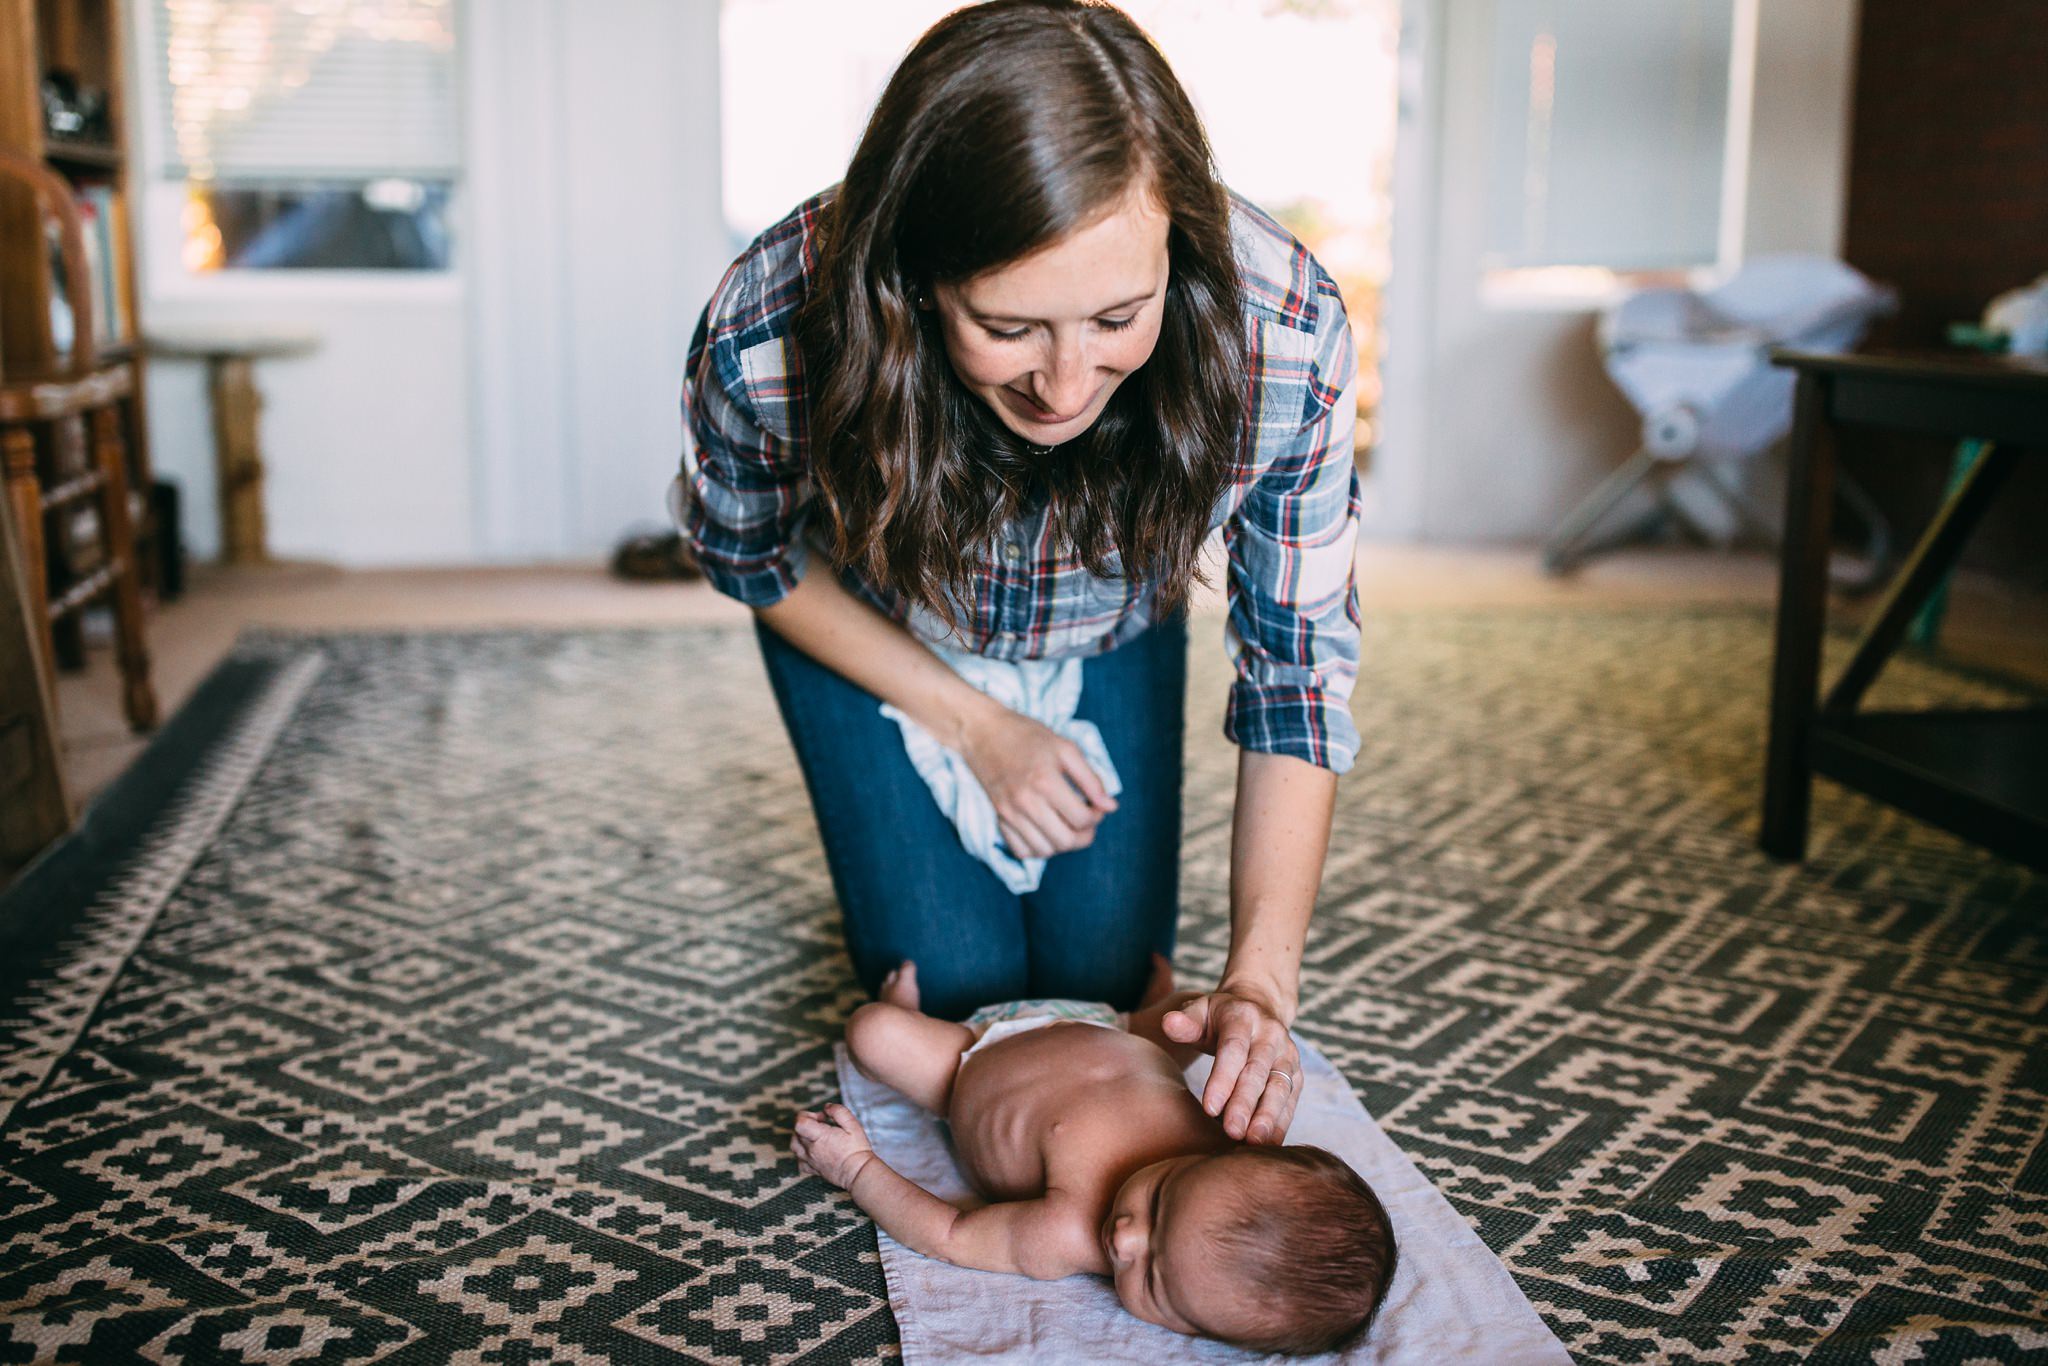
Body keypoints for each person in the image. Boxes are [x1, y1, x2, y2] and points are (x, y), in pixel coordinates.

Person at [674, 0, 1361, 1146]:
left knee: (1097, 983)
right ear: (916, 278)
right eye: (1006, 325)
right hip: (876, 614)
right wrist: (976, 727)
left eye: (1116, 317)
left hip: (1107, 624)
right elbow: (745, 552)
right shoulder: (768, 319)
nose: (1063, 382)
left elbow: (1296, 670)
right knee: (953, 989)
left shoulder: (1285, 331)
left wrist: (1257, 983)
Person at [790, 960, 1397, 1353]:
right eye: (1161, 1203)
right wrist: (1212, 1022)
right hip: (1120, 1028)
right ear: (1248, 1153)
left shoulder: (1068, 1232)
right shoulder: (1233, 1135)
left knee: (871, 1032)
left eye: (1154, 1279)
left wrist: (858, 1169)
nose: (1127, 1239)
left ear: (1192, 1330)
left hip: (970, 1060)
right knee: (1192, 1012)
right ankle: (1151, 998)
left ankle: (906, 1012)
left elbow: (949, 1232)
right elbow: (1234, 1049)